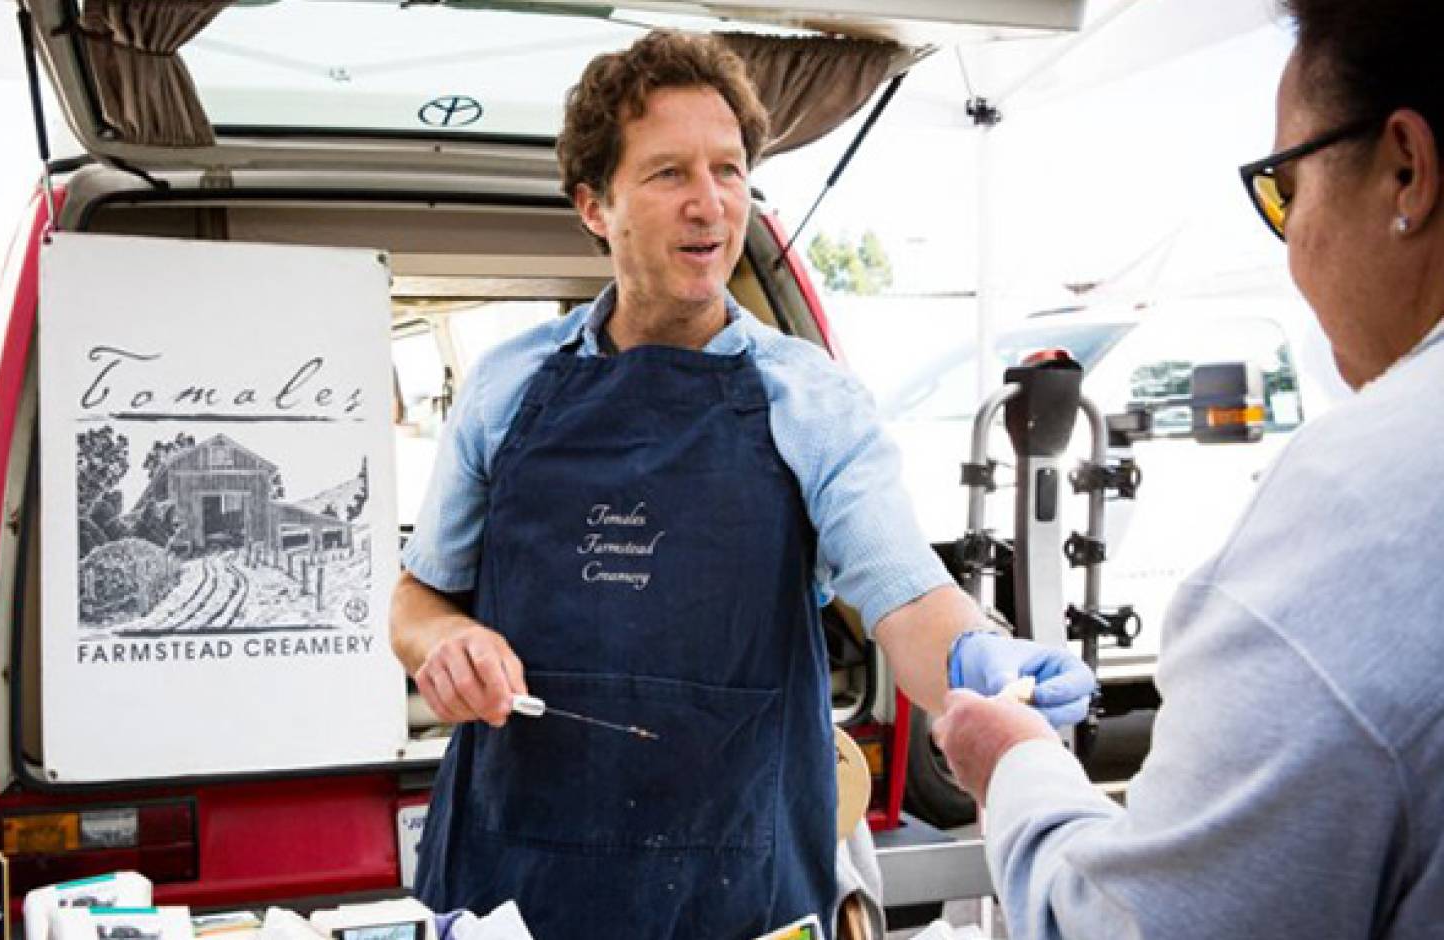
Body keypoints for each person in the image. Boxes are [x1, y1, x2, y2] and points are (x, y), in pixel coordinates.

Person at [391, 29, 1095, 940]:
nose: (709, 204)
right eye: (669, 174)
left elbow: (903, 591)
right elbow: (416, 597)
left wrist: (973, 661)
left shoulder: (811, 397)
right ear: (594, 206)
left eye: (728, 171)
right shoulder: (508, 384)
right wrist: (443, 642)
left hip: (740, 876)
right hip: (520, 873)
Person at [933, 0, 1444, 935]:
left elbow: (1139, 923)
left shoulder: (1370, 501)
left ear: (1406, 169)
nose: (1287, 244)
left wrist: (1014, 761)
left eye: (1283, 189)